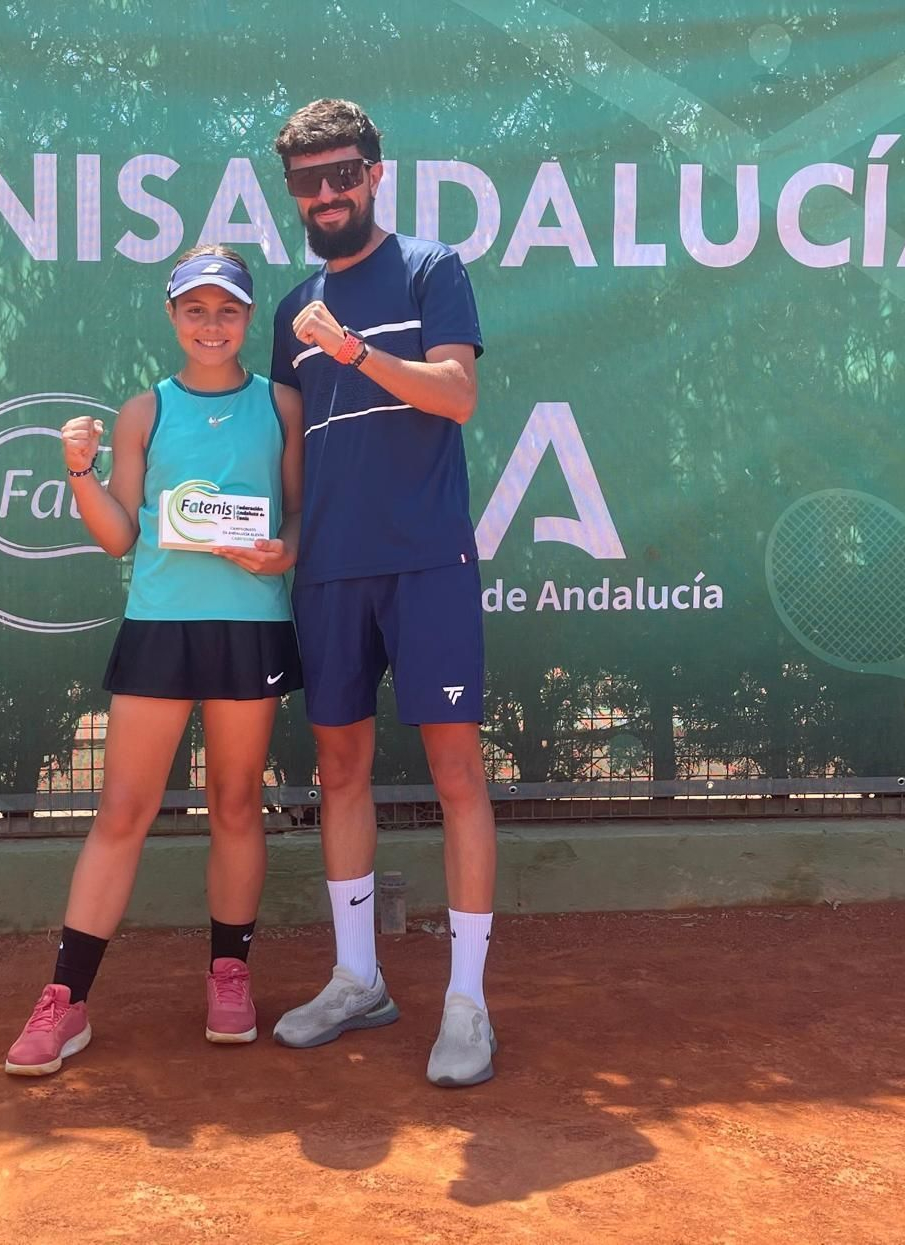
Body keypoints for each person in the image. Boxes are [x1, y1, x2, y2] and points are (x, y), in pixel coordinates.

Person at [4, 245, 304, 1076]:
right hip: (160, 626)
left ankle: (229, 974)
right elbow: (118, 538)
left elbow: (303, 519)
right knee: (122, 811)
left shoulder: (282, 404)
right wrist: (78, 468)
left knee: (237, 805)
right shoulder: (143, 411)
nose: (213, 325)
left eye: (229, 310)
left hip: (250, 625)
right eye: (196, 310)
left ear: (248, 318)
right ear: (172, 317)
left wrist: (279, 556)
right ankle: (66, 1001)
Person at [266, 100, 500, 1087]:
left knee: (455, 776)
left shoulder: (431, 270)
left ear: (374, 173)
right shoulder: (288, 310)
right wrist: (283, 539)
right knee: (339, 771)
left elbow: (456, 395)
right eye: (306, 182)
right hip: (328, 569)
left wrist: (357, 351)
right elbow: (291, 450)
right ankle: (357, 978)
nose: (325, 194)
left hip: (426, 560)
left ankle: (466, 1002)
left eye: (341, 174)